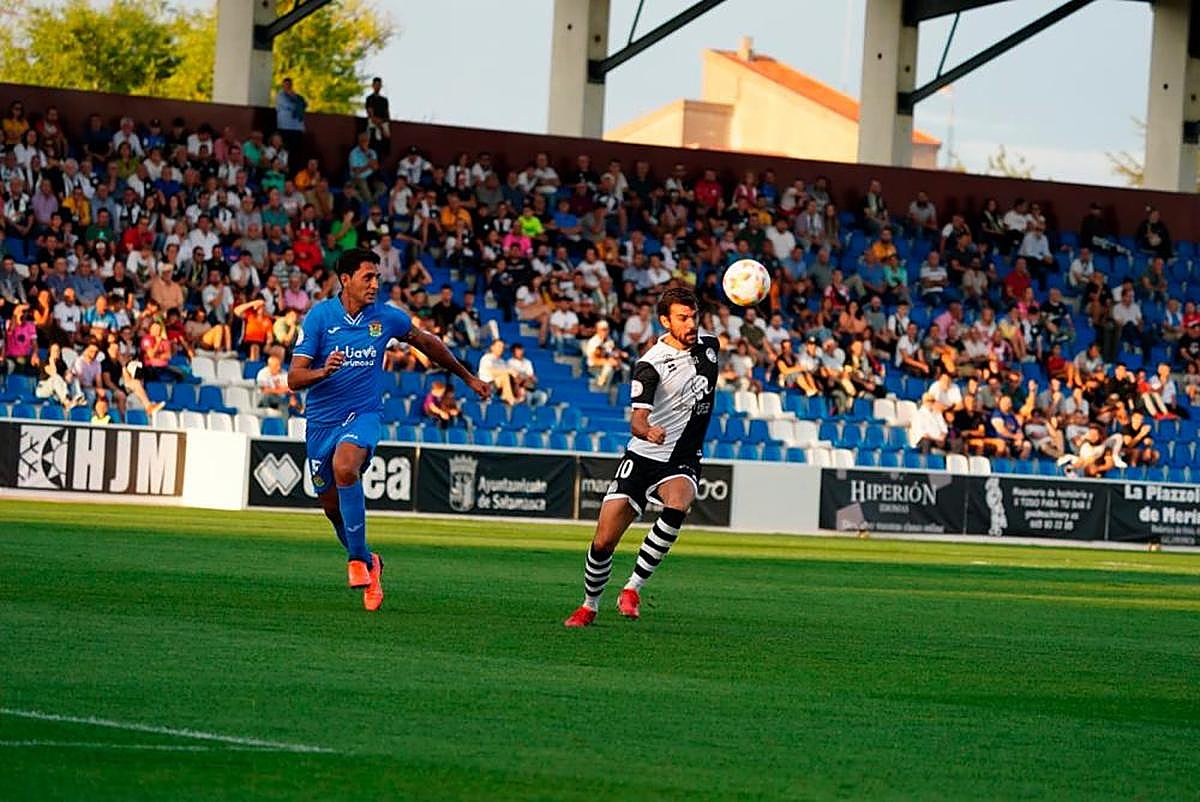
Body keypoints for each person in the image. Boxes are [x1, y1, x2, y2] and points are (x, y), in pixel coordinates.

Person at [288, 248, 489, 612]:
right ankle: (369, 560)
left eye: (377, 277)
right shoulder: (320, 318)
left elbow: (426, 342)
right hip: (320, 422)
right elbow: (294, 378)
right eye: (367, 277)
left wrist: (467, 377)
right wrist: (323, 371)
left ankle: (355, 562)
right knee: (332, 509)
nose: (375, 284)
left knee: (345, 468)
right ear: (345, 279)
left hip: (363, 415)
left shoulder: (386, 317)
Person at [565, 287, 718, 627]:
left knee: (678, 503)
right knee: (603, 542)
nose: (691, 324)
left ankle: (632, 588)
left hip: (682, 457)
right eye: (682, 318)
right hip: (644, 455)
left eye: (694, 317)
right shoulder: (650, 364)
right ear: (665, 321)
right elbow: (636, 420)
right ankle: (589, 605)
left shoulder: (710, 346)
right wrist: (647, 431)